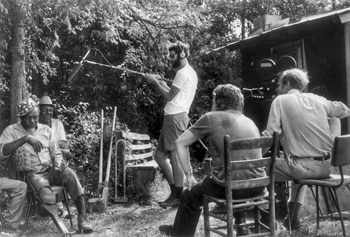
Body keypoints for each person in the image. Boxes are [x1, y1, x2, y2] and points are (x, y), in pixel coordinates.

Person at [159, 84, 266, 236]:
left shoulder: (211, 117)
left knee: (188, 196)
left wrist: (189, 175)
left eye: (213, 99)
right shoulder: (249, 121)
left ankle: (180, 234)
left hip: (227, 187)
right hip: (258, 186)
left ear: (218, 101)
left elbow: (180, 143)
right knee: (235, 178)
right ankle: (241, 228)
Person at [261, 68, 350, 230]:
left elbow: (271, 135)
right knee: (295, 161)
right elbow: (344, 110)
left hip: (303, 168)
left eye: (279, 84)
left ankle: (264, 219)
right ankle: (293, 218)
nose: (277, 88)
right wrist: (329, 117)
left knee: (258, 169)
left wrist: (255, 156)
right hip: (326, 167)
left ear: (287, 84)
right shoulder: (318, 99)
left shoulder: (280, 101)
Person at [0, 95, 93, 233]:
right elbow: (2, 153)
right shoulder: (11, 130)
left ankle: (83, 218)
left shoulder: (46, 130)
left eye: (35, 117)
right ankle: (60, 224)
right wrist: (25, 139)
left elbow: (56, 152)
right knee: (47, 197)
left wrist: (59, 163)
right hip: (33, 173)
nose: (33, 121)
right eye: (28, 118)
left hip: (51, 169)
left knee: (70, 175)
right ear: (21, 117)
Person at [144, 41, 198, 208]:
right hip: (172, 117)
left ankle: (179, 196)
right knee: (160, 157)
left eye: (172, 56)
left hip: (175, 118)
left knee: (175, 157)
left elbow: (168, 97)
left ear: (182, 54)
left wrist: (154, 82)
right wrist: (161, 81)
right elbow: (173, 92)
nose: (170, 59)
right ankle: (175, 192)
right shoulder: (187, 72)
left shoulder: (182, 73)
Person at [39, 94, 69, 218]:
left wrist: (49, 144)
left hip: (57, 157)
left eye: (50, 110)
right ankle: (60, 207)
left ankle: (60, 207)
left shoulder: (58, 124)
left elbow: (64, 143)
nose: (48, 113)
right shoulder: (36, 125)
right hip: (43, 160)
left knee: (60, 160)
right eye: (45, 110)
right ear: (39, 111)